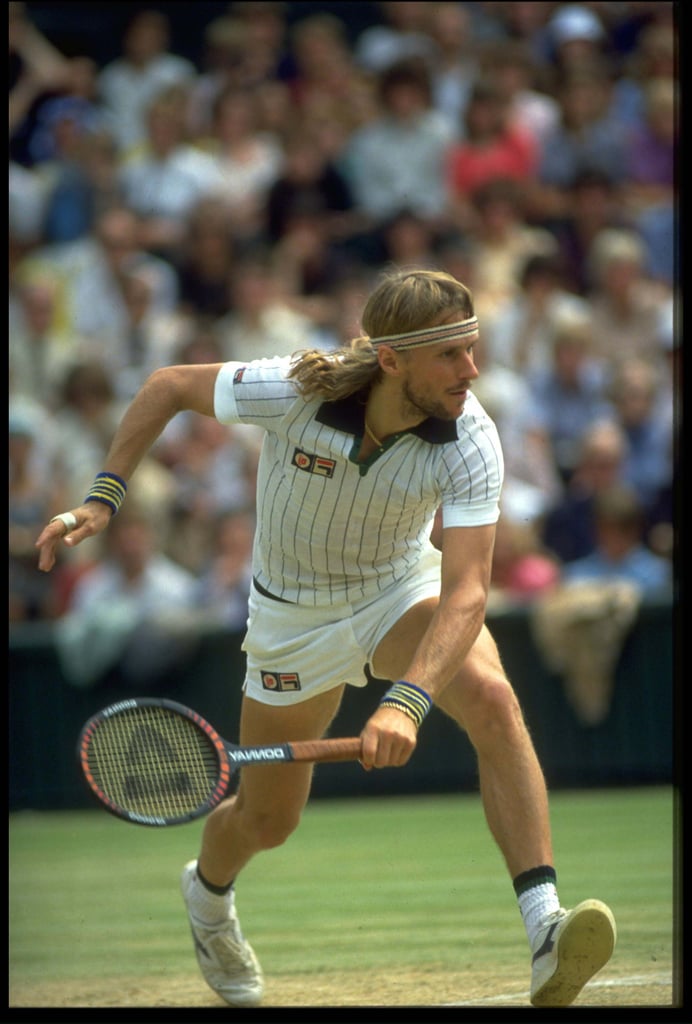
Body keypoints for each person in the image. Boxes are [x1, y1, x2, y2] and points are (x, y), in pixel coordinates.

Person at [35, 268, 616, 1008]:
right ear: (393, 359)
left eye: (473, 349)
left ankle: (544, 932)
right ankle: (208, 898)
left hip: (398, 591)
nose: (472, 370)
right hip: (290, 620)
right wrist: (102, 498)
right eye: (451, 355)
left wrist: (407, 700)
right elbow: (168, 384)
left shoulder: (472, 435)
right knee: (266, 821)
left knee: (494, 699)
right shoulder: (293, 389)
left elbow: (468, 592)